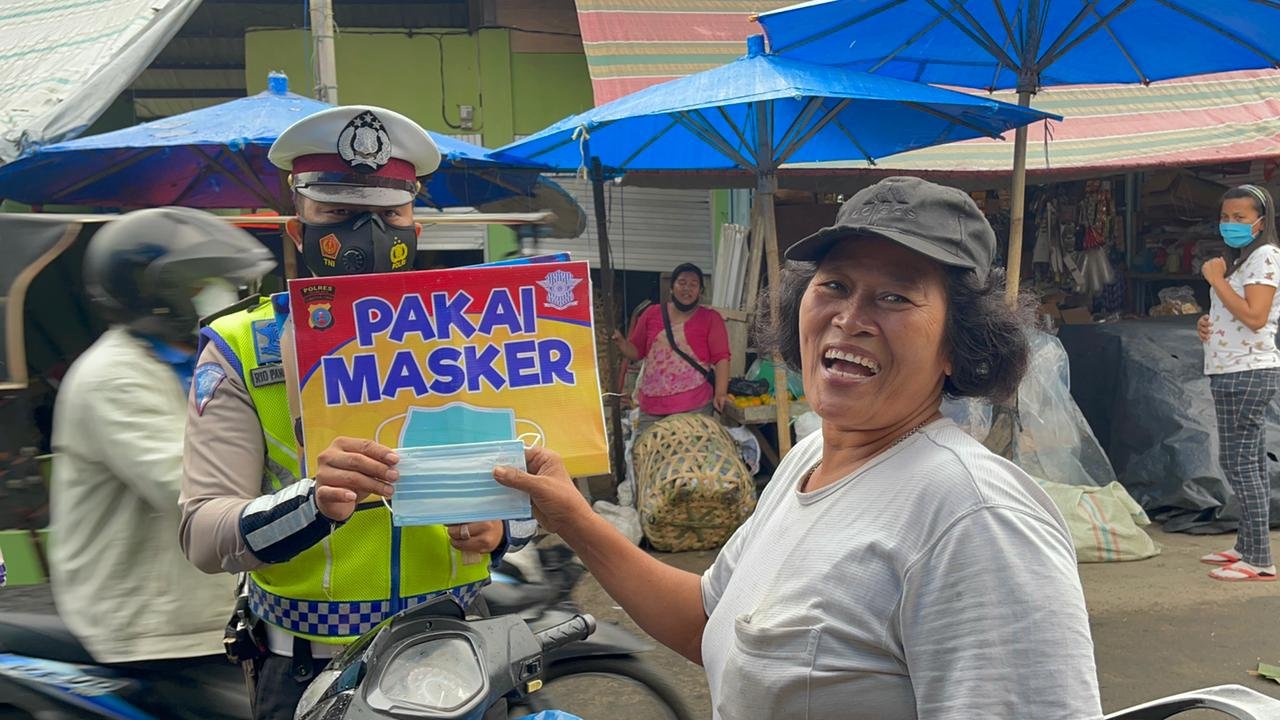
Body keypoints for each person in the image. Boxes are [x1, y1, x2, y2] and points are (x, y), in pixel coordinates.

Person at [498, 176, 1102, 719]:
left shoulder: (975, 518)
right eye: (833, 285)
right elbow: (711, 620)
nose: (850, 317)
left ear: (958, 344)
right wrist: (569, 515)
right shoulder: (805, 463)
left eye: (895, 297)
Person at [179, 105, 526, 719]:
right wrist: (311, 503)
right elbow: (203, 533)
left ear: (416, 227)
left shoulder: (475, 332)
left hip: (458, 661)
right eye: (339, 213)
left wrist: (502, 532)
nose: (370, 233)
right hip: (310, 675)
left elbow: (541, 480)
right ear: (297, 230)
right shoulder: (241, 347)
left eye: (390, 213)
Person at [49, 207, 274, 716]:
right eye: (207, 284)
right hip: (156, 630)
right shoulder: (114, 377)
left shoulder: (203, 361)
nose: (230, 296)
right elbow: (190, 487)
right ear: (157, 293)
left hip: (217, 615)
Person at [1196, 184, 1280, 582]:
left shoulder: (1264, 256)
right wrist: (1208, 325)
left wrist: (1216, 281)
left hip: (1245, 373)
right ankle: (1247, 545)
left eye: (1240, 218)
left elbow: (1255, 316)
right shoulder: (1243, 260)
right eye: (1226, 217)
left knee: (1239, 463)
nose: (1230, 224)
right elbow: (1238, 317)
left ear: (1260, 223)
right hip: (1233, 367)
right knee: (1250, 464)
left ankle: (1260, 559)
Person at [612, 263, 730, 432]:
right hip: (652, 409)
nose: (687, 288)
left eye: (693, 284)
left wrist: (720, 393)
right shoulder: (652, 313)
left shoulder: (711, 319)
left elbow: (721, 358)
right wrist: (621, 343)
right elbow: (637, 352)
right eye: (682, 283)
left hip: (694, 407)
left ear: (701, 292)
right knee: (650, 453)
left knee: (692, 455)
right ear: (672, 289)